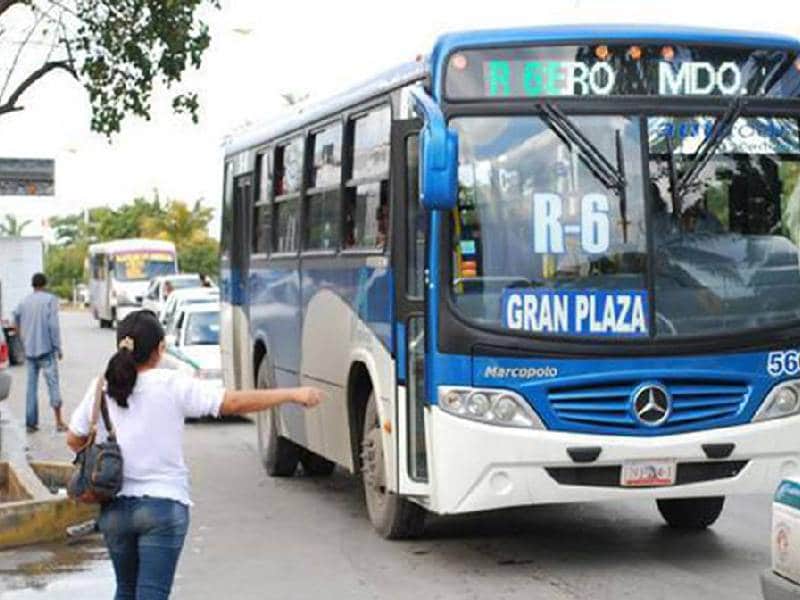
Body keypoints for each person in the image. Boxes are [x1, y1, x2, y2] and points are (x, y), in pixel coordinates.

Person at [66, 310, 321, 600]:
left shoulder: (101, 387)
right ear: (160, 349)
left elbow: (74, 439)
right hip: (163, 507)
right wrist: (292, 394)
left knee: (125, 591)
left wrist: (108, 457)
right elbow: (233, 403)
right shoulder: (172, 384)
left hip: (113, 508)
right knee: (152, 594)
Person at [14, 272, 66, 433]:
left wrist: (23, 338)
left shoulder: (24, 302)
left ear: (33, 285)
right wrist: (58, 347)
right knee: (53, 385)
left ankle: (31, 423)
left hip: (30, 351)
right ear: (45, 284)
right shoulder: (50, 300)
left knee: (31, 388)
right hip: (46, 350)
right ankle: (58, 422)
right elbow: (53, 326)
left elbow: (15, 319)